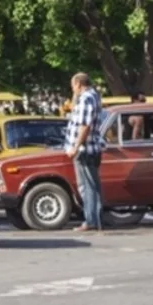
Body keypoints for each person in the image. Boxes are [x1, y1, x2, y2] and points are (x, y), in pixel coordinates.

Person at [65, 72, 107, 232]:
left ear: (78, 84)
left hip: (85, 149)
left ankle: (91, 220)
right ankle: (94, 219)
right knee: (91, 185)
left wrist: (75, 147)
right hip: (90, 147)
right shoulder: (93, 96)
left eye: (73, 86)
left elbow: (84, 125)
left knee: (88, 186)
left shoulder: (86, 98)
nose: (72, 90)